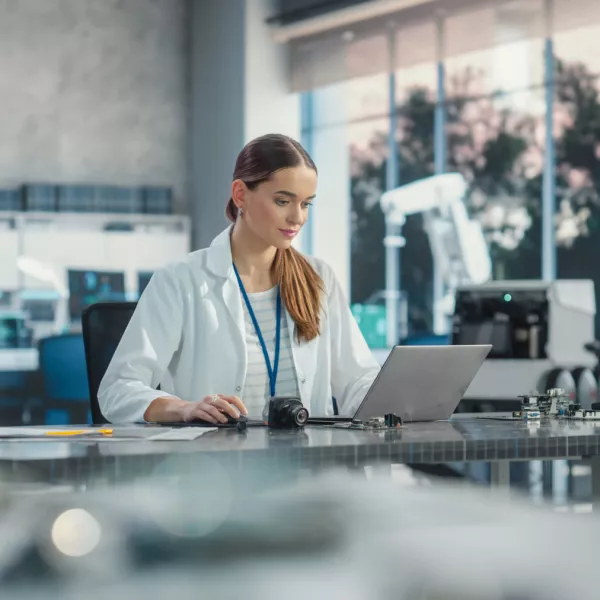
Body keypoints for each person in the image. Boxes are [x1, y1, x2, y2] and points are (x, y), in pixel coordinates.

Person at [98, 134, 380, 424]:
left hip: (307, 463)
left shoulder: (319, 277)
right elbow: (118, 390)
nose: (297, 218)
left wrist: (395, 401)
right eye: (283, 201)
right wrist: (184, 408)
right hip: (213, 464)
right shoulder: (181, 280)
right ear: (241, 194)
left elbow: (357, 379)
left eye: (306, 204)